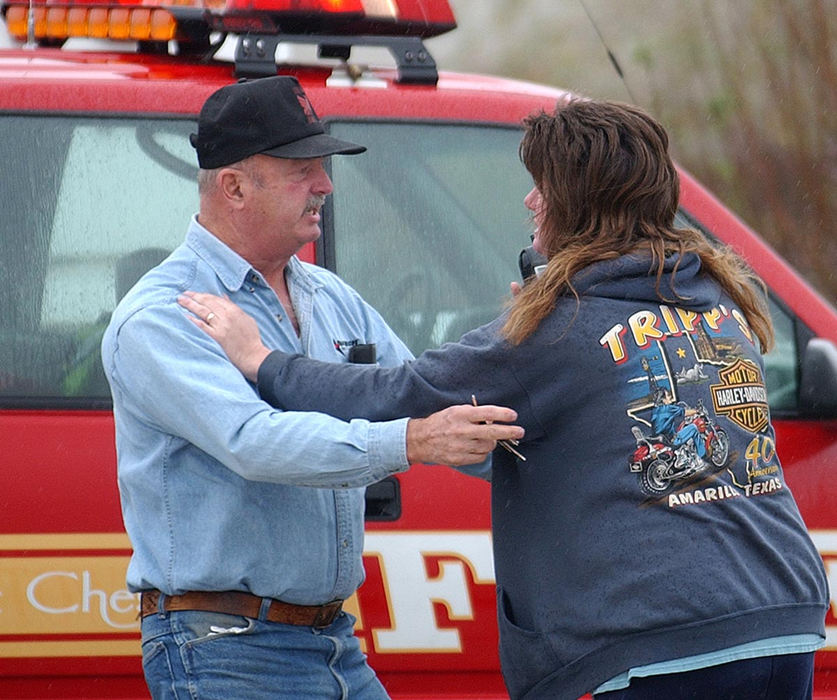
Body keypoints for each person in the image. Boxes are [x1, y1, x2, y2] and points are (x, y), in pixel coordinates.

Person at [178, 98, 829, 700]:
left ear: (571, 201)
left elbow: (398, 390)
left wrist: (263, 362)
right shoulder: (715, 301)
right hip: (786, 621)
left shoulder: (563, 327)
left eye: (541, 187)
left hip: (661, 646)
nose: (529, 201)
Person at [101, 75, 523, 700]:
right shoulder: (162, 316)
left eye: (323, 165)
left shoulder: (329, 296)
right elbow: (254, 442)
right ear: (234, 187)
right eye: (303, 167)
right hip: (225, 650)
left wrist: (553, 427)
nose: (325, 184)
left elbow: (423, 397)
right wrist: (411, 441)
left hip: (333, 644)